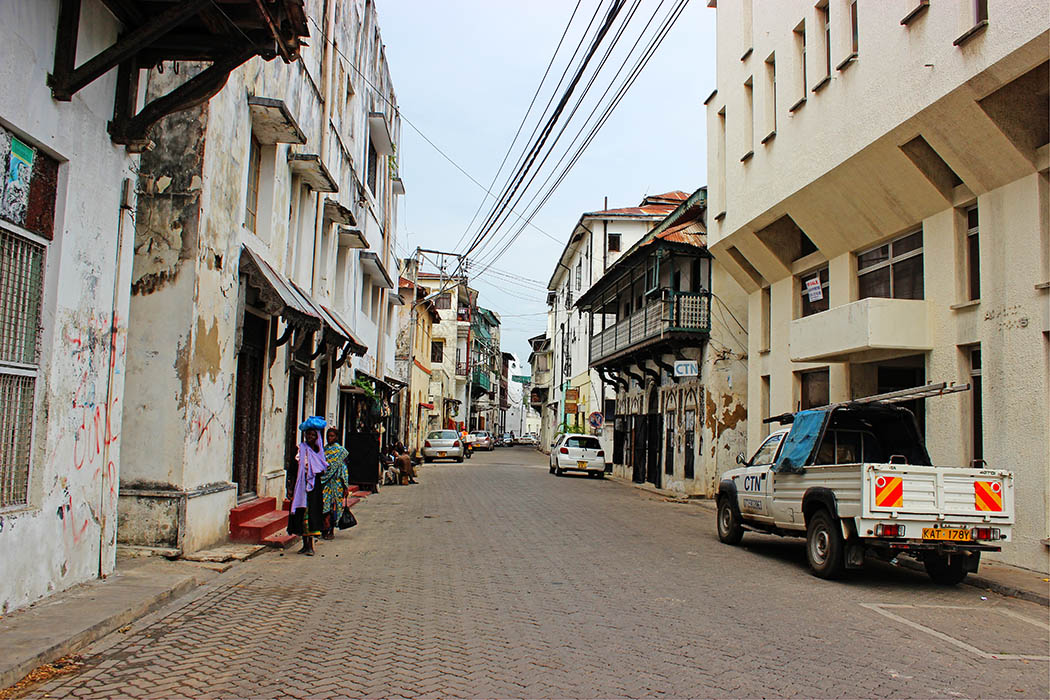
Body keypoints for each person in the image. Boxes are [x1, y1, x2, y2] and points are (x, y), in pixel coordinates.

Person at [287, 416, 328, 555]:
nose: (310, 437)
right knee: (301, 514)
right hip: (300, 487)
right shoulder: (299, 450)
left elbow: (322, 469)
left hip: (314, 488)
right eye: (308, 434)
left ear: (317, 437)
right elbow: (292, 469)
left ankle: (311, 546)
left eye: (312, 435)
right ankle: (304, 545)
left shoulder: (318, 452)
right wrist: (290, 487)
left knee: (311, 515)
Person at [320, 427, 350, 540]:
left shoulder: (341, 451)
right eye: (328, 436)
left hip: (337, 483)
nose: (330, 438)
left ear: (336, 437)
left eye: (332, 436)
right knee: (325, 506)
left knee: (334, 507)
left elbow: (344, 469)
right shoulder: (324, 450)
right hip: (325, 483)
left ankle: (331, 530)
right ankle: (324, 528)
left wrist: (345, 486)